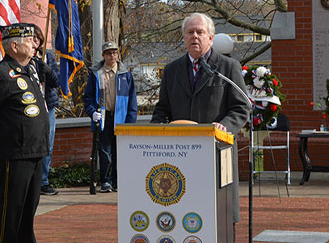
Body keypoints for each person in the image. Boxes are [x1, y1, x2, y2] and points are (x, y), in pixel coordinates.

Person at [150, 12, 250, 224]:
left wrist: (224, 126)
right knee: (187, 218)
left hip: (216, 153)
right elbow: (162, 110)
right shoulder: (171, 70)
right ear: (184, 37)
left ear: (211, 38)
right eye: (190, 32)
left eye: (200, 32)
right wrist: (157, 130)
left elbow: (242, 107)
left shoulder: (227, 68)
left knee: (217, 220)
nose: (195, 36)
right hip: (180, 158)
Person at [0, 23, 48, 243]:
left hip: (35, 153)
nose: (34, 44)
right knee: (10, 215)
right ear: (14, 46)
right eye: (29, 41)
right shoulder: (1, 75)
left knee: (27, 214)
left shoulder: (29, 71)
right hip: (13, 155)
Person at [83, 41, 138, 193]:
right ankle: (105, 181)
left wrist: (130, 121)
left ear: (118, 54)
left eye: (114, 53)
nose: (112, 56)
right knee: (105, 152)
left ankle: (118, 180)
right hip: (104, 117)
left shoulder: (125, 74)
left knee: (119, 151)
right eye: (108, 53)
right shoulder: (96, 74)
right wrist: (92, 112)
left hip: (121, 118)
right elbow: (88, 98)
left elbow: (132, 99)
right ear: (103, 55)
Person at [28, 24, 60, 195]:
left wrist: (47, 71)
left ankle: (44, 180)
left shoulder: (48, 57)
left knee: (48, 144)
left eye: (37, 39)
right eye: (31, 39)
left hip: (48, 107)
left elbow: (57, 82)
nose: (35, 42)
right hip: (30, 108)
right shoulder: (24, 58)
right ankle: (31, 180)